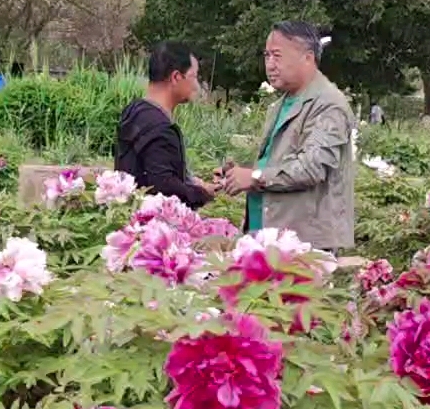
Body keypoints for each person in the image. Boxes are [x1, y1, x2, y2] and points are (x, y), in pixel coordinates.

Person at [222, 21, 356, 250]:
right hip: (267, 238)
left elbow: (311, 167)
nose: (270, 65)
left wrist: (254, 176)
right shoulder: (280, 105)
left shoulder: (328, 105)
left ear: (308, 58)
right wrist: (240, 173)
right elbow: (278, 164)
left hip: (303, 246)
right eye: (267, 56)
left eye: (277, 56)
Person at [114, 41, 211, 208]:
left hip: (128, 213)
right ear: (176, 77)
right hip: (152, 225)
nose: (196, 85)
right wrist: (202, 194)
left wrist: (190, 181)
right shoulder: (159, 128)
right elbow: (163, 188)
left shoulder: (134, 111)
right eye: (194, 76)